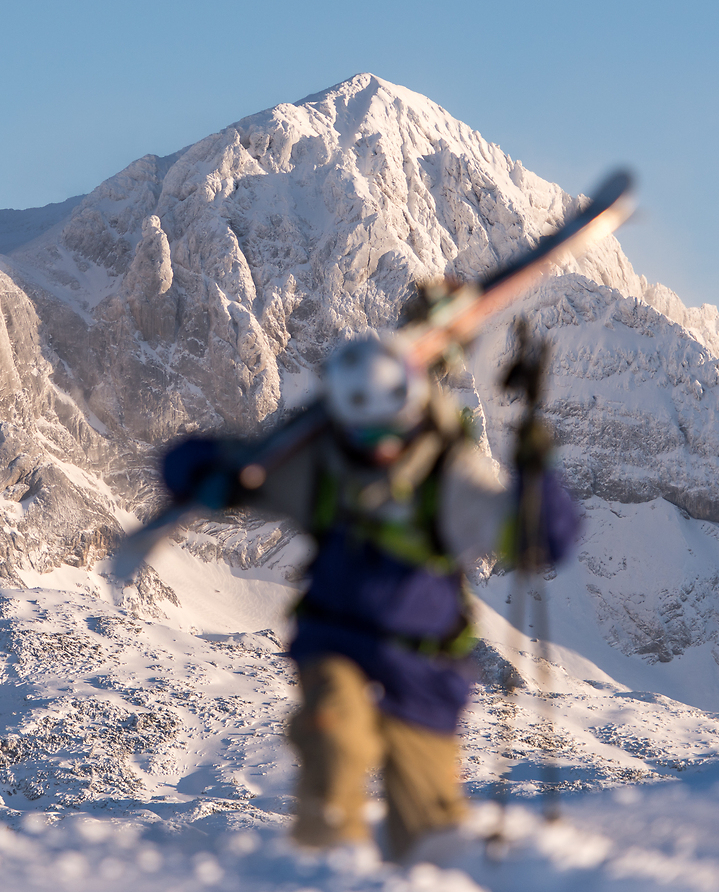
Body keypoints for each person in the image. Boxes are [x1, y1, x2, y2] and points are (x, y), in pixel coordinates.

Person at [158, 332, 583, 863]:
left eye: (392, 427)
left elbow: (539, 541)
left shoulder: (447, 477)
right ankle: (325, 863)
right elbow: (216, 464)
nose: (381, 444)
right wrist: (204, 472)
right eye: (367, 432)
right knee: (333, 735)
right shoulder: (321, 466)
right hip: (338, 641)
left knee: (431, 832)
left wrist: (538, 481)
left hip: (425, 668)